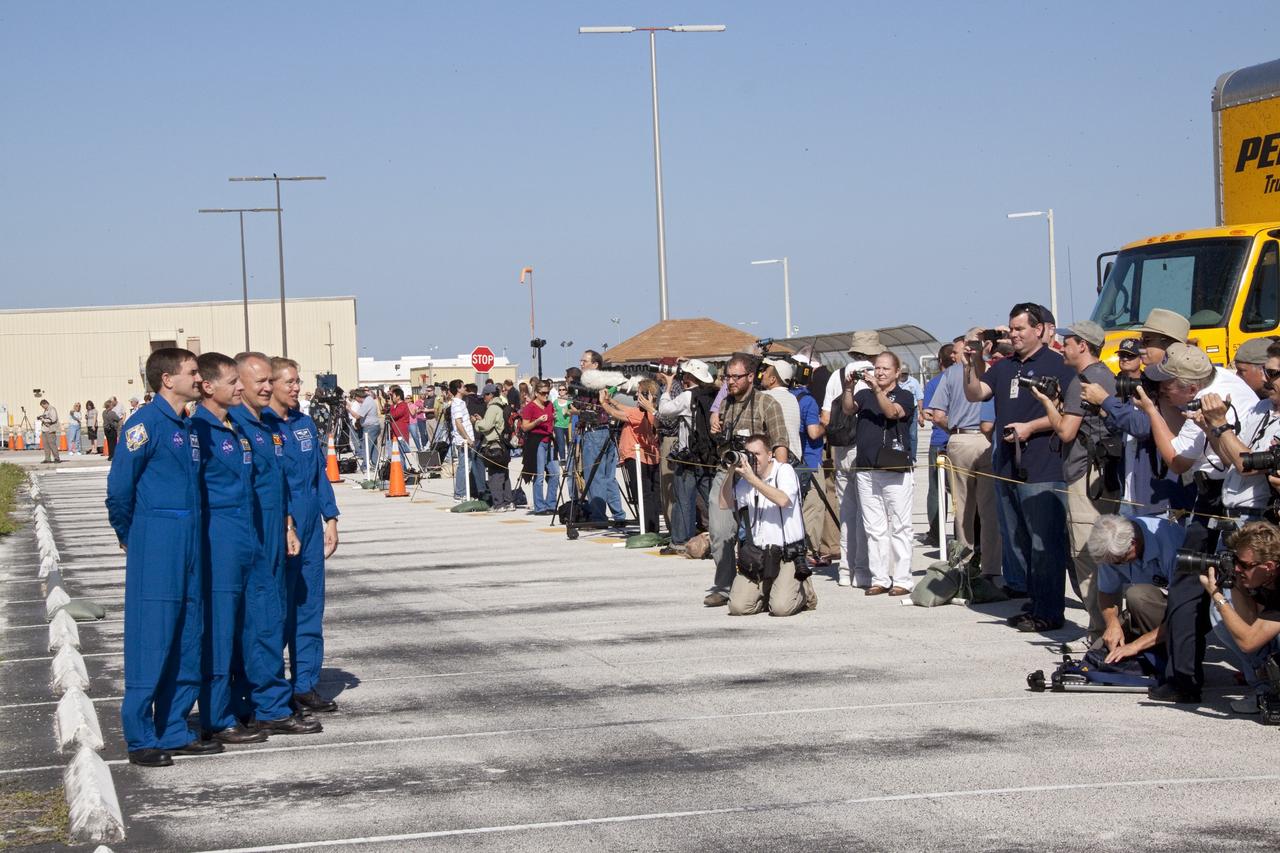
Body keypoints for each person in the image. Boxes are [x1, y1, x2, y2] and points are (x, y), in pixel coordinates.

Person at [105, 348, 214, 766]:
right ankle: (140, 736)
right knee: (152, 637)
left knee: (189, 633)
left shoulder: (186, 426)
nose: (198, 378)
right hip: (158, 540)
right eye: (191, 372)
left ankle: (173, 727)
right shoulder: (144, 425)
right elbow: (119, 491)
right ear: (167, 379)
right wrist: (131, 534)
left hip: (190, 539)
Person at [961, 302, 1077, 632]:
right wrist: (972, 360)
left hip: (1043, 466)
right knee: (1020, 541)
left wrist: (1032, 427)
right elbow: (975, 393)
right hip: (1007, 465)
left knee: (1045, 544)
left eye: (1020, 329)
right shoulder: (1002, 367)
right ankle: (1036, 603)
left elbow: (1070, 411)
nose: (1014, 334)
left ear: (1039, 330)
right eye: (1011, 329)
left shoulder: (1058, 364)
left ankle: (1051, 611)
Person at [229, 352, 315, 735]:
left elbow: (279, 484)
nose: (267, 387)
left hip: (275, 536)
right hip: (251, 540)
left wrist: (287, 525)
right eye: (259, 381)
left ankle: (269, 701)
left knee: (272, 620)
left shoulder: (267, 425)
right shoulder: (234, 427)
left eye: (269, 380)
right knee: (259, 624)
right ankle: (263, 704)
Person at [191, 352, 268, 746]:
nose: (240, 387)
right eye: (232, 381)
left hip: (245, 535)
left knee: (246, 626)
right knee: (219, 630)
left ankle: (241, 705)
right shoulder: (199, 430)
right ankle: (216, 716)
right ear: (208, 386)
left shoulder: (233, 427)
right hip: (218, 537)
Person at [1031, 320, 1120, 646]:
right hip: (1101, 475)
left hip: (1086, 477)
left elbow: (1067, 431)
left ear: (1083, 345)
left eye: (1068, 342)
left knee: (1087, 554)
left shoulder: (1083, 381)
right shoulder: (1104, 375)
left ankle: (1100, 632)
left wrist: (1046, 403)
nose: (1062, 346)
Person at [269, 357, 341, 713]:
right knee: (278, 612)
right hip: (282, 526)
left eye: (298, 381)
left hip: (312, 525)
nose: (296, 387)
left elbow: (318, 476)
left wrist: (331, 518)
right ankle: (270, 686)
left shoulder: (305, 424)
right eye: (290, 381)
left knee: (310, 608)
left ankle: (305, 684)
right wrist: (285, 524)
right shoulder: (260, 427)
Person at [704, 353, 789, 607]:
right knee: (720, 532)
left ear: (751, 377)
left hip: (758, 476)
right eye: (727, 377)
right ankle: (724, 584)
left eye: (736, 377)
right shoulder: (725, 404)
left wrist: (778, 478)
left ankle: (761, 582)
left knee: (756, 535)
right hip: (728, 472)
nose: (730, 382)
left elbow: (780, 441)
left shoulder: (767, 404)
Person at [929, 332, 1001, 580]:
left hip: (959, 439)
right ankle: (992, 567)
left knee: (962, 508)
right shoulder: (994, 372)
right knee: (989, 508)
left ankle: (965, 562)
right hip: (986, 440)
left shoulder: (949, 375)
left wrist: (956, 429)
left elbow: (936, 414)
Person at [845, 351, 917, 595]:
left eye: (886, 368)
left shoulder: (905, 395)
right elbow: (847, 410)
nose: (880, 372)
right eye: (877, 368)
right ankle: (879, 578)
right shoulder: (864, 395)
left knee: (900, 525)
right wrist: (848, 387)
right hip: (866, 468)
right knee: (874, 527)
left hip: (894, 467)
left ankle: (903, 579)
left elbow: (892, 413)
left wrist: (877, 390)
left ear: (897, 372)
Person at [722, 433, 816, 616]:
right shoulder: (746, 480)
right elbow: (724, 503)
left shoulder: (784, 471)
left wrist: (752, 480)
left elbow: (783, 500)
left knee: (781, 609)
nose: (752, 459)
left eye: (757, 454)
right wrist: (730, 472)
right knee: (738, 608)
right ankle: (771, 592)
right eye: (748, 454)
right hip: (759, 555)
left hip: (787, 553)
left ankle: (805, 592)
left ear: (770, 454)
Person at [821, 330, 884, 588]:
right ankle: (863, 570)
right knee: (869, 512)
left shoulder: (838, 375)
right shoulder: (877, 373)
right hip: (867, 449)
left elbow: (826, 417)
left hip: (842, 450)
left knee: (847, 512)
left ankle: (845, 571)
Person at [1085, 514, 1185, 664]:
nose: (1116, 565)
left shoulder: (1171, 545)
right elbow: (1107, 592)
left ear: (1133, 543)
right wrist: (1112, 624)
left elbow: (1184, 611)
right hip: (1156, 608)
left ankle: (1171, 651)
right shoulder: (1113, 549)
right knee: (1099, 654)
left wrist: (1136, 646)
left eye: (1120, 562)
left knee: (1137, 596)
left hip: (1188, 611)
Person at [1203, 521, 1280, 714]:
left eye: (1244, 565)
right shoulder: (1264, 575)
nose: (1237, 568)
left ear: (1269, 566)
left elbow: (1249, 641)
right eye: (1235, 561)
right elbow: (1248, 622)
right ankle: (1265, 689)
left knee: (1222, 605)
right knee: (1221, 612)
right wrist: (1234, 582)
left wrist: (1216, 594)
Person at [657, 359, 718, 555]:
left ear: (689, 377)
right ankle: (721, 537)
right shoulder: (714, 395)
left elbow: (664, 411)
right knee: (712, 500)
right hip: (709, 455)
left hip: (688, 456)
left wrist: (667, 386)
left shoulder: (687, 396)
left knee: (683, 499)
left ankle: (680, 541)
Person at [601, 379, 660, 533]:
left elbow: (615, 413)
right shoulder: (651, 411)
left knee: (642, 494)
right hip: (649, 457)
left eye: (639, 393)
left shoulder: (639, 413)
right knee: (650, 494)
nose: (636, 396)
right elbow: (622, 407)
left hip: (636, 457)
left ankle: (647, 529)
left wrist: (603, 403)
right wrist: (611, 400)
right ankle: (652, 528)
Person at [577, 350, 627, 524]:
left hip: (595, 431)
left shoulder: (592, 382)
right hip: (607, 430)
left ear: (595, 364)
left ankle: (599, 516)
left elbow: (586, 407)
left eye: (585, 361)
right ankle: (619, 515)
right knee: (608, 476)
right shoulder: (606, 381)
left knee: (594, 475)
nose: (581, 364)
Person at [920, 344, 954, 543]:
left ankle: (935, 532)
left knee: (936, 488)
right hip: (958, 438)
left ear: (940, 362)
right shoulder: (962, 379)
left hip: (939, 440)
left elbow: (928, 412)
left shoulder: (934, 383)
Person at [520, 379, 560, 516]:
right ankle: (540, 506)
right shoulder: (530, 407)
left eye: (547, 393)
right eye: (543, 393)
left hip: (549, 441)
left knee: (555, 473)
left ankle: (551, 504)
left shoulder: (549, 405)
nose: (546, 396)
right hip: (536, 442)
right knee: (539, 475)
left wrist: (552, 420)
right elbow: (524, 427)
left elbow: (552, 421)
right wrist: (537, 421)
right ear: (536, 393)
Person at [476, 383, 514, 511]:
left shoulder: (492, 408)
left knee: (494, 476)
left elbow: (486, 426)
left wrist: (477, 422)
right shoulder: (502, 405)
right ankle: (509, 502)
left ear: (490, 395)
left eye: (485, 396)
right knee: (504, 474)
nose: (484, 399)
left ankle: (499, 504)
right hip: (504, 444)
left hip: (493, 445)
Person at [898, 364, 924, 459]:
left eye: (905, 373)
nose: (904, 375)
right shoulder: (894, 382)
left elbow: (920, 398)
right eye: (902, 373)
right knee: (900, 434)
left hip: (912, 411)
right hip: (898, 412)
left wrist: (921, 415)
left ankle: (912, 457)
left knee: (912, 435)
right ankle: (901, 456)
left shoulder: (914, 382)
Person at [38, 399, 60, 463]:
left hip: (50, 430)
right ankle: (47, 459)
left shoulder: (52, 409)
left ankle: (56, 458)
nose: (42, 407)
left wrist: (43, 420)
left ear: (45, 404)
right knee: (46, 445)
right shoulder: (46, 410)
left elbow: (53, 419)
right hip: (45, 430)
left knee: (52, 445)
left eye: (42, 406)